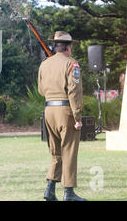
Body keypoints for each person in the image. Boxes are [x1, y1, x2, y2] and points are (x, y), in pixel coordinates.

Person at [38, 31, 86, 201]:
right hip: (65, 111)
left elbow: (41, 90)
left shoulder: (44, 64)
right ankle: (69, 193)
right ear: (68, 47)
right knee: (69, 151)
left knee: (55, 152)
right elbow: (74, 92)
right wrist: (78, 117)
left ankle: (50, 190)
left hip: (48, 111)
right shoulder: (72, 64)